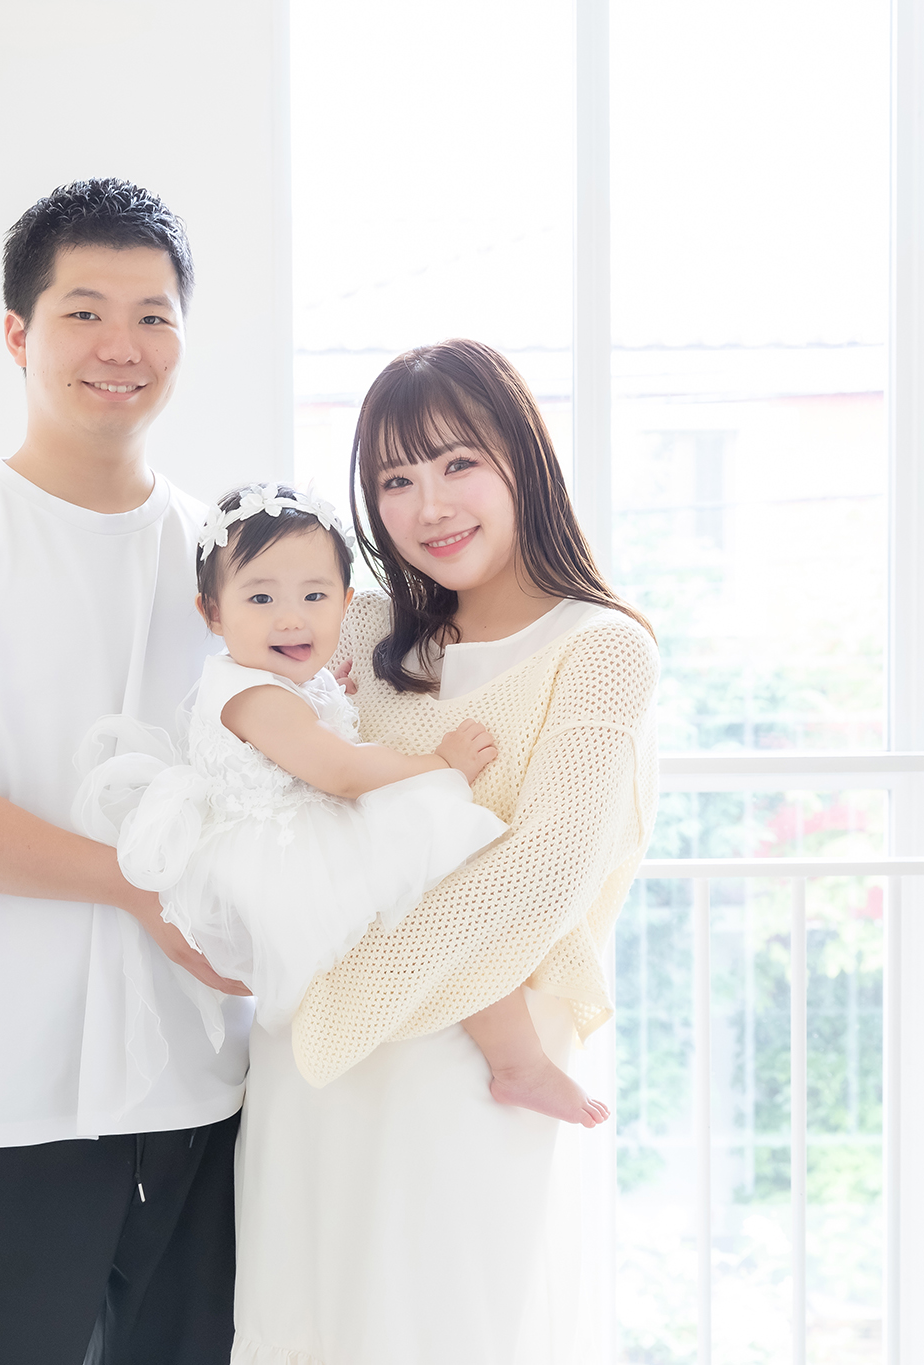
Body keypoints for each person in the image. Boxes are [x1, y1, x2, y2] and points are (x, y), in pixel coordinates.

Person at [0, 178, 252, 1365]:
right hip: (3, 1093)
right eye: (84, 313)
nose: (121, 346)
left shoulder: (222, 560)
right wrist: (138, 885)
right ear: (17, 334)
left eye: (152, 316)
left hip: (197, 1087)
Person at [231, 339, 661, 1365]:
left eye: (458, 462)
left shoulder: (600, 648)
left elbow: (544, 872)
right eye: (395, 480)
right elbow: (260, 780)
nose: (429, 505)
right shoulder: (358, 630)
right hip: (311, 1078)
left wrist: (344, 987)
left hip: (462, 1077)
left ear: (523, 459)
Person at [77, 481, 610, 1128]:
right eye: (261, 598)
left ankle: (507, 1051)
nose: (291, 618)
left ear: (346, 602)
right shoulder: (257, 698)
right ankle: (519, 1062)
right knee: (443, 857)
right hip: (282, 857)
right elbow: (342, 773)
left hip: (290, 836)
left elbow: (308, 730)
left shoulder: (273, 683)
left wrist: (324, 692)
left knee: (436, 888)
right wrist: (440, 765)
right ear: (212, 612)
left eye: (315, 596)